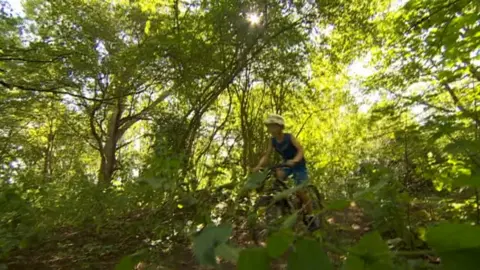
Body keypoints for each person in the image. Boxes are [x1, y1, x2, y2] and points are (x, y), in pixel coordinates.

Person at [252, 114, 319, 231]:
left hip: (298, 165)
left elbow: (300, 150)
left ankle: (311, 216)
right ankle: (286, 203)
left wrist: (295, 160)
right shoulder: (272, 141)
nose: (269, 129)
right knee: (278, 176)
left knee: (301, 191)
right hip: (286, 164)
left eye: (272, 126)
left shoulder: (289, 137)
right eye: (269, 126)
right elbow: (267, 155)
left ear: (280, 127)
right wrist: (258, 166)